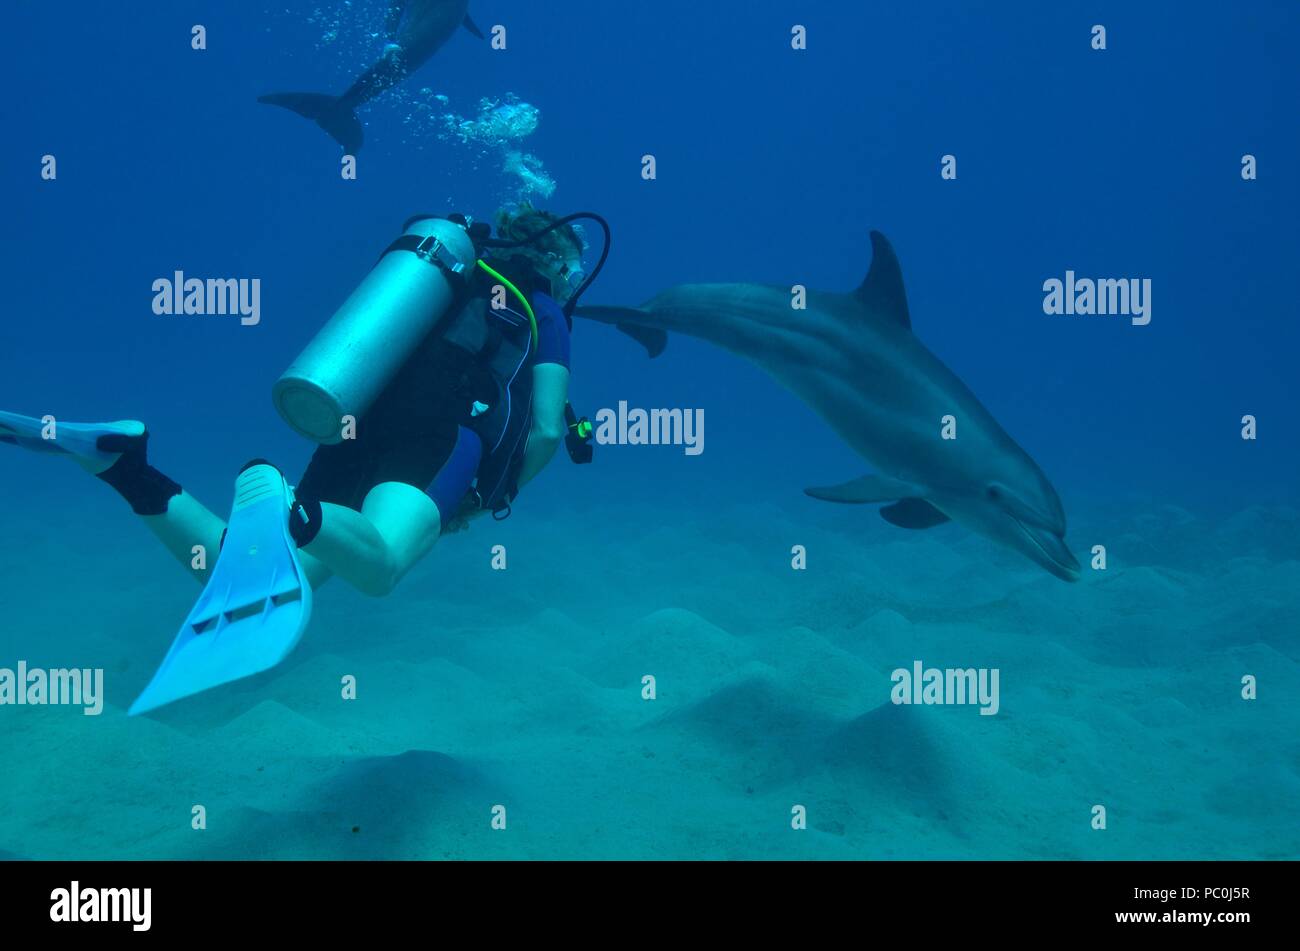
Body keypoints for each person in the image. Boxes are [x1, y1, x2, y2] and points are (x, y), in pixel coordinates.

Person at [0, 204, 597, 712]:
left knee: (257, 579)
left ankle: (123, 465)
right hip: (442, 433)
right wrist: (490, 494)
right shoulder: (540, 304)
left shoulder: (446, 276)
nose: (567, 280)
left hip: (355, 416)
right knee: (381, 565)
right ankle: (291, 504)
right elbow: (545, 429)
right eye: (568, 268)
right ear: (552, 260)